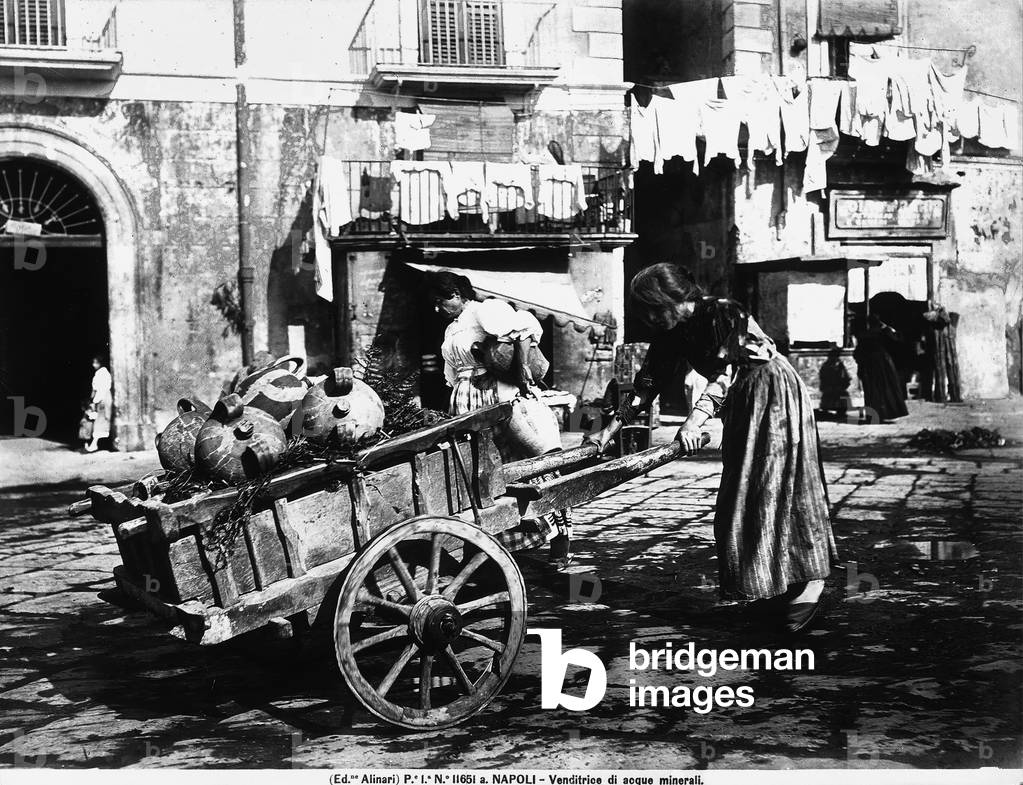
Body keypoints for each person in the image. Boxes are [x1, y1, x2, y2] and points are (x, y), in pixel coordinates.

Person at [587, 263, 838, 633]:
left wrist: (693, 421)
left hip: (772, 392)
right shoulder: (670, 333)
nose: (649, 318)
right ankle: (774, 585)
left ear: (670, 300)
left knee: (780, 487)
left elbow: (726, 373)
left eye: (652, 308)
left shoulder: (722, 311)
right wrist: (606, 432)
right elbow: (645, 386)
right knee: (744, 495)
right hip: (741, 403)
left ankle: (811, 582)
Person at [427, 271, 572, 567]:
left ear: (456, 294)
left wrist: (520, 370)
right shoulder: (452, 329)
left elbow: (523, 331)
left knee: (528, 463)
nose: (437, 309)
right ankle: (499, 543)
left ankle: (560, 537)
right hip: (466, 403)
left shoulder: (485, 310)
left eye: (441, 301)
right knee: (484, 473)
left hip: (495, 397)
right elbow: (451, 373)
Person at [853, 314, 908, 422]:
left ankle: (873, 416)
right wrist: (889, 328)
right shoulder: (884, 332)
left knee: (871, 390)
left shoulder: (863, 335)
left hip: (869, 365)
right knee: (886, 388)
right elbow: (898, 340)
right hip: (883, 364)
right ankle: (886, 413)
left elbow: (857, 353)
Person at [84, 355, 112, 452]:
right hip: (102, 398)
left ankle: (94, 444)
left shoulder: (102, 373)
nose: (94, 365)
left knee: (99, 421)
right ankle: (94, 443)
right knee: (99, 421)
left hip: (102, 398)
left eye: (96, 362)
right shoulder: (100, 373)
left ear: (100, 363)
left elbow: (101, 389)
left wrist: (95, 401)